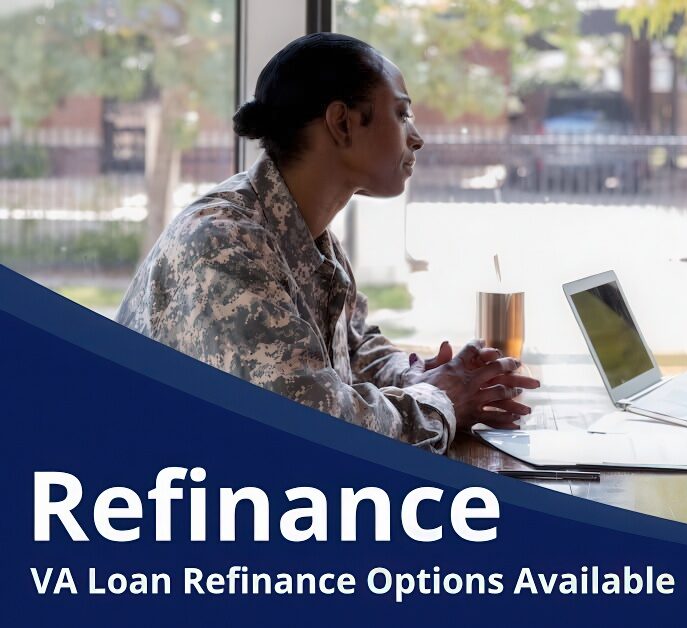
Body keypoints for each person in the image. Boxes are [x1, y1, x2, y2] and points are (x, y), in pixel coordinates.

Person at [117, 33, 538, 454]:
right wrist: (441, 400)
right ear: (342, 123)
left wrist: (415, 373)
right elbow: (312, 428)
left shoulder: (307, 234)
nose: (416, 138)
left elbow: (352, 349)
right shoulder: (225, 246)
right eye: (402, 113)